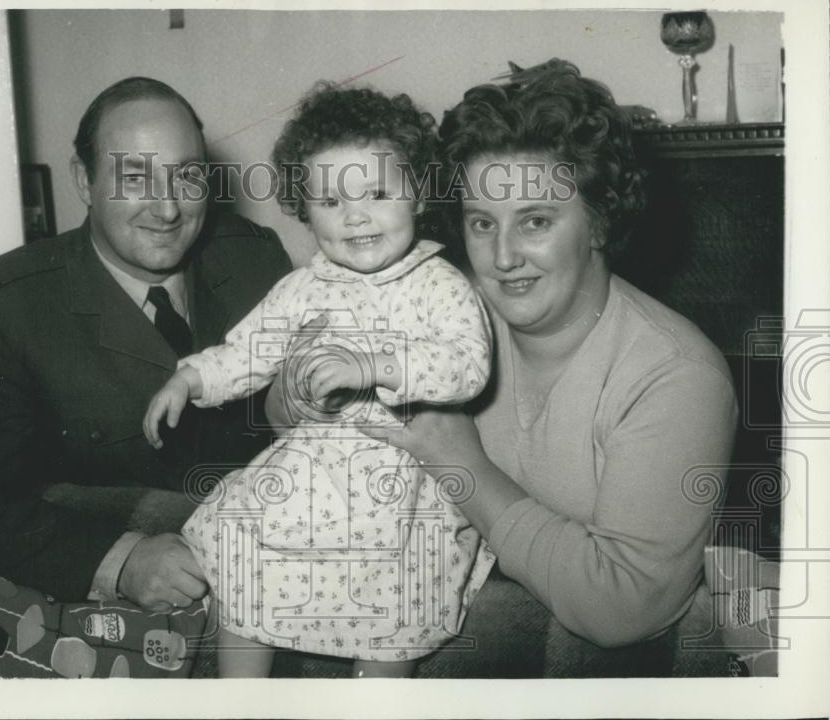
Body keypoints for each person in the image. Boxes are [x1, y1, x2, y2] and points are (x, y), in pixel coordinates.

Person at [269, 63, 740, 677]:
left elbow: (623, 606)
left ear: (598, 221)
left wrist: (460, 464)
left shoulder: (677, 378)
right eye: (482, 223)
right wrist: (299, 386)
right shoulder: (439, 309)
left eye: (536, 221)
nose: (503, 255)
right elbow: (289, 416)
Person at [143, 85, 494, 678]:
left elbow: (467, 365)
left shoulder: (440, 284)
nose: (355, 215)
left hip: (399, 486)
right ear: (305, 211)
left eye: (377, 193)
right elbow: (251, 350)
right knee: (248, 559)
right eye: (331, 201)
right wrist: (192, 377)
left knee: (395, 603)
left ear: (418, 194)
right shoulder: (304, 286)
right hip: (312, 476)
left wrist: (377, 367)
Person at [0, 77, 292, 615]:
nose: (167, 209)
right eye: (135, 177)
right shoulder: (6, 307)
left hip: (264, 585)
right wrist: (121, 560)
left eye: (187, 176)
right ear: (83, 180)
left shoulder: (256, 260)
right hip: (108, 626)